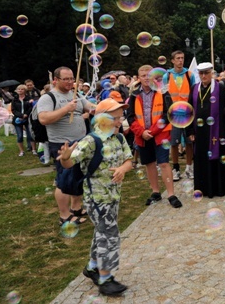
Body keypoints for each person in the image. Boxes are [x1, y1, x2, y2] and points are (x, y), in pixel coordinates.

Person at [57, 98, 134, 296]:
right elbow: (68, 163)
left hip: (114, 195)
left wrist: (123, 169)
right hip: (97, 198)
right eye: (115, 118)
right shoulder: (91, 141)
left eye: (120, 117)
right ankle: (105, 277)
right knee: (109, 235)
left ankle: (92, 267)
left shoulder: (119, 138)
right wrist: (66, 156)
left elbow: (129, 160)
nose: (120, 122)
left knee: (102, 231)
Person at [38, 66, 94, 227]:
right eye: (66, 79)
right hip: (62, 144)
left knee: (78, 176)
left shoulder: (75, 94)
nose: (71, 82)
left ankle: (75, 208)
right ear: (55, 80)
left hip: (81, 141)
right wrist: (65, 109)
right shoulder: (49, 98)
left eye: (72, 78)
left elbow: (89, 107)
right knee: (63, 179)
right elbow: (43, 119)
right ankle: (64, 215)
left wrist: (103, 108)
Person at [127, 65, 181, 208]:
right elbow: (131, 117)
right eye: (143, 75)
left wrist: (151, 131)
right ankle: (155, 192)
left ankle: (171, 194)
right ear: (138, 78)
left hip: (159, 135)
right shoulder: (134, 94)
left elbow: (167, 114)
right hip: (142, 136)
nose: (146, 78)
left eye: (148, 75)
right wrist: (141, 132)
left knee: (163, 163)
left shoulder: (162, 91)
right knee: (149, 164)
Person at [188, 62, 225, 198]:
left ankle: (217, 188)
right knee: (200, 159)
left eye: (206, 73)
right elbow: (189, 111)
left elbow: (224, 109)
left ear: (212, 73)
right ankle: (202, 188)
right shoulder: (194, 88)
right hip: (199, 131)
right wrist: (190, 131)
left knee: (215, 158)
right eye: (201, 73)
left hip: (215, 130)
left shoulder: (220, 87)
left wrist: (224, 129)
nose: (204, 76)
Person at [163, 51, 196, 181]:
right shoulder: (167, 75)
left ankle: (189, 167)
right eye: (178, 58)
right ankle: (176, 168)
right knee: (174, 142)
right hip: (174, 114)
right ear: (172, 60)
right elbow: (164, 95)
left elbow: (193, 93)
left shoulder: (189, 74)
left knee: (189, 141)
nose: (180, 60)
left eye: (182, 58)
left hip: (187, 113)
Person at [11, 84, 34, 156]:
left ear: (25, 90)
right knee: (20, 136)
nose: (20, 90)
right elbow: (13, 110)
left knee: (30, 134)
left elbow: (31, 108)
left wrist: (26, 114)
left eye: (22, 89)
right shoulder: (14, 99)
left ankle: (33, 149)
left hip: (27, 118)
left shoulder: (29, 98)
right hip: (18, 119)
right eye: (18, 89)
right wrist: (21, 115)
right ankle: (21, 151)